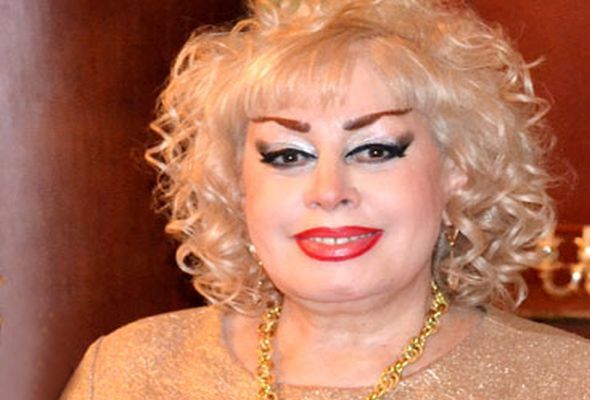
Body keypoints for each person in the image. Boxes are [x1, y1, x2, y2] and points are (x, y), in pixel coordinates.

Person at [60, 0, 590, 399]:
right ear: (236, 186)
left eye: (375, 150)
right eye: (288, 155)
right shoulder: (127, 372)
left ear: (459, 172)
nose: (330, 192)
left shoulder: (566, 382)